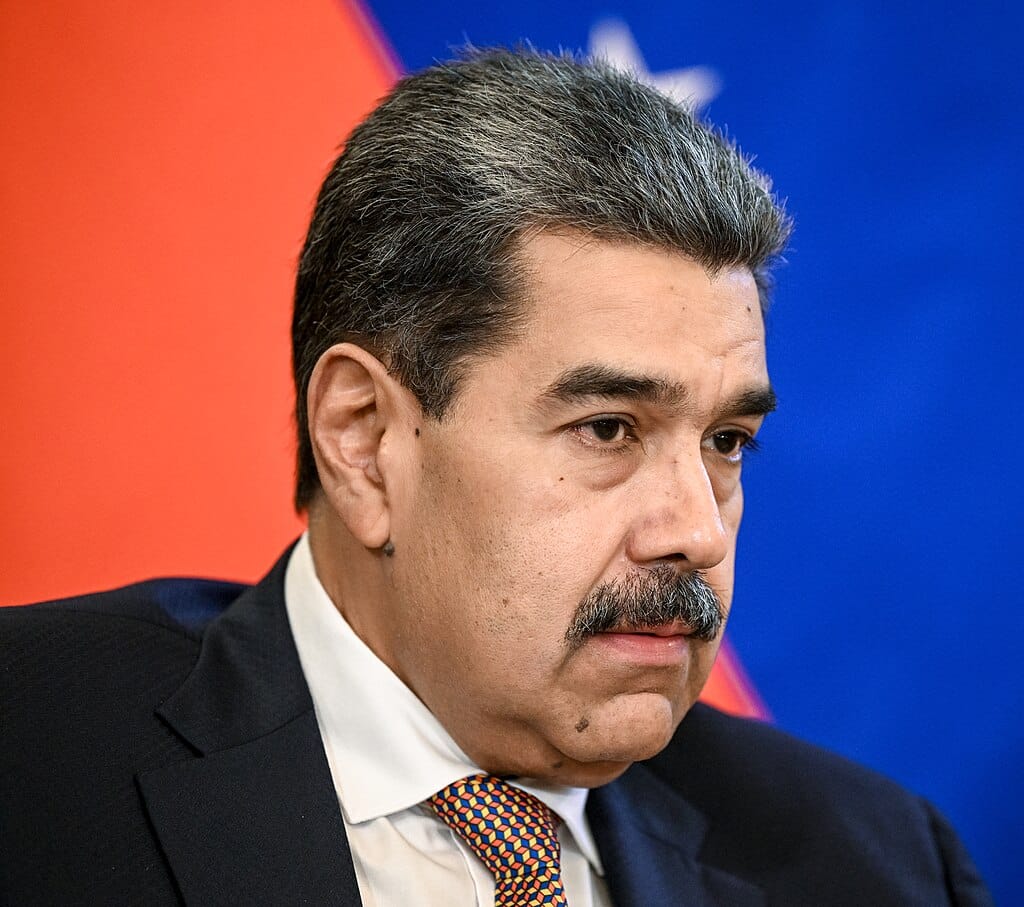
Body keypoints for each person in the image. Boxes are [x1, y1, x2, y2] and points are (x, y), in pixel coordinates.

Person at [1, 48, 992, 906]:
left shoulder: (875, 862)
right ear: (364, 438)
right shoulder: (34, 753)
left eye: (724, 442)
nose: (697, 529)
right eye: (608, 427)